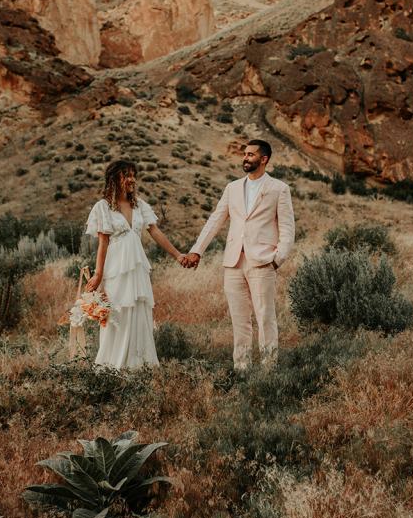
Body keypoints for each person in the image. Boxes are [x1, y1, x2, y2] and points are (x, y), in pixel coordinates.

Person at [183, 139, 295, 370]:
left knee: (265, 317)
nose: (245, 158)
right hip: (233, 262)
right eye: (245, 154)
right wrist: (197, 250)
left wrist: (277, 259)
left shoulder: (279, 189)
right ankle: (242, 368)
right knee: (239, 319)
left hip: (263, 262)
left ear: (264, 159)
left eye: (251, 154)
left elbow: (287, 227)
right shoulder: (232, 188)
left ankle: (268, 370)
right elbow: (216, 220)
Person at [84, 158, 184, 369]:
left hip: (137, 268)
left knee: (139, 311)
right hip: (116, 270)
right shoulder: (103, 207)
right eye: (126, 175)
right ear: (114, 179)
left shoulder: (140, 205)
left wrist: (178, 255)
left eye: (133, 175)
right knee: (117, 313)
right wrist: (98, 275)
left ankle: (140, 365)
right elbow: (103, 243)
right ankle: (113, 366)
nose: (132, 179)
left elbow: (155, 232)